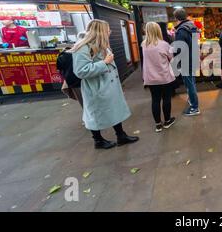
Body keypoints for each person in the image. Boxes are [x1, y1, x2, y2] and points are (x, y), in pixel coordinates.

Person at [71, 20, 139, 149]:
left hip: (109, 86)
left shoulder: (102, 44)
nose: (110, 32)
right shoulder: (83, 47)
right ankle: (98, 140)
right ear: (100, 31)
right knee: (95, 114)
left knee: (114, 110)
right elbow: (80, 71)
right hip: (96, 88)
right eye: (107, 29)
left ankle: (121, 135)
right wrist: (104, 63)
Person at [142, 22, 176, 133]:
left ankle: (158, 125)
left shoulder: (144, 45)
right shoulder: (164, 44)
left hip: (151, 78)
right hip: (164, 77)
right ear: (158, 31)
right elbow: (172, 59)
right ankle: (167, 121)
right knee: (166, 99)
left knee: (155, 100)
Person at [173, 8, 200, 116]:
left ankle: (194, 107)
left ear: (176, 18)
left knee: (189, 84)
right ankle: (193, 101)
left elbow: (179, 48)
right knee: (192, 82)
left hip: (185, 60)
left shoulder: (181, 30)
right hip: (193, 58)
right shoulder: (192, 27)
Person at [57, 32, 87, 107]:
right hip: (82, 82)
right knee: (89, 106)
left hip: (73, 83)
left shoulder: (65, 53)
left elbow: (59, 69)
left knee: (84, 105)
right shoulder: (82, 52)